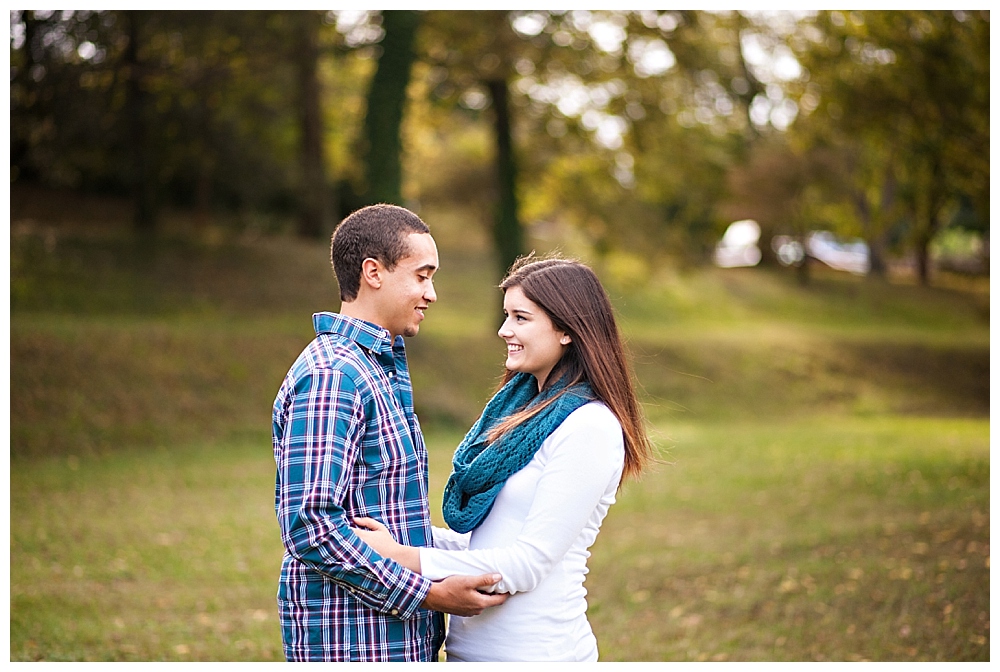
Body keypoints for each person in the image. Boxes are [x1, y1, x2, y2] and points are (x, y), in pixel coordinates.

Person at [354, 255, 654, 662]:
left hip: (538, 655)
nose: (503, 330)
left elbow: (526, 564)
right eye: (505, 316)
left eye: (520, 318)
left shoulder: (589, 426)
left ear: (567, 329)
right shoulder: (521, 413)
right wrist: (403, 534)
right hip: (471, 654)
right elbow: (491, 539)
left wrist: (402, 556)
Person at [271, 204, 507, 662]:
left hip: (391, 639)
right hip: (353, 641)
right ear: (373, 273)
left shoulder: (374, 367)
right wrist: (428, 594)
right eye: (422, 276)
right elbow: (311, 526)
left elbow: (386, 510)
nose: (431, 294)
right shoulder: (333, 375)